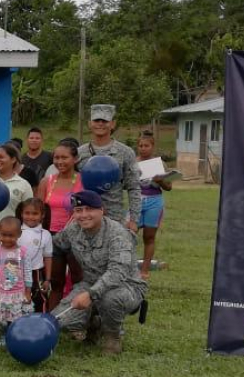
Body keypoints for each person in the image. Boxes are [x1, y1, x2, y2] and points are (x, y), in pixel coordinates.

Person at [49, 190, 147, 354]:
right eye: (79, 210)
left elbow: (117, 273)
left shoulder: (118, 234)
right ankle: (95, 323)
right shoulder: (73, 230)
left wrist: (90, 295)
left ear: (101, 210)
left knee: (110, 299)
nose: (84, 215)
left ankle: (112, 336)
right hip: (90, 284)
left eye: (90, 209)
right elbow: (55, 244)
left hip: (126, 287)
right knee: (61, 321)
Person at [78, 104, 141, 234]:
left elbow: (134, 187)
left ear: (112, 124)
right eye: (96, 120)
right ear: (90, 124)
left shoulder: (125, 152)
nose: (100, 124)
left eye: (105, 121)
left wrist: (134, 220)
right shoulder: (80, 153)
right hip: (86, 217)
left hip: (115, 218)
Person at [0, 216, 33, 354]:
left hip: (17, 294)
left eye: (11, 236)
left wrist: (28, 290)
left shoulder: (23, 252)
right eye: (4, 235)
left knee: (13, 322)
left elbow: (27, 271)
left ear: (19, 234)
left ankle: (12, 346)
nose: (7, 239)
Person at [136, 131, 173, 279]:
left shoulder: (160, 164)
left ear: (153, 146)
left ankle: (144, 270)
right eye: (140, 145)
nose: (143, 148)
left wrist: (160, 181)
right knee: (129, 234)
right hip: (137, 201)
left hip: (154, 202)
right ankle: (126, 267)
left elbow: (168, 187)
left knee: (149, 237)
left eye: (146, 145)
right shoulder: (133, 162)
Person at [17, 198, 54, 312]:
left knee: (39, 298)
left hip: (36, 274)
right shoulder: (16, 230)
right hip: (16, 271)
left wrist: (47, 279)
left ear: (42, 215)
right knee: (17, 298)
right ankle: (14, 324)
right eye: (27, 213)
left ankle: (39, 323)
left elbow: (48, 257)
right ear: (21, 214)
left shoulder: (46, 234)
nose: (30, 217)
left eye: (35, 213)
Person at [38, 141, 82, 235]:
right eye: (56, 158)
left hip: (76, 234)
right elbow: (38, 211)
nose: (60, 162)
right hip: (49, 235)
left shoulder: (84, 181)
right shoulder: (46, 182)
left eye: (64, 158)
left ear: (75, 159)